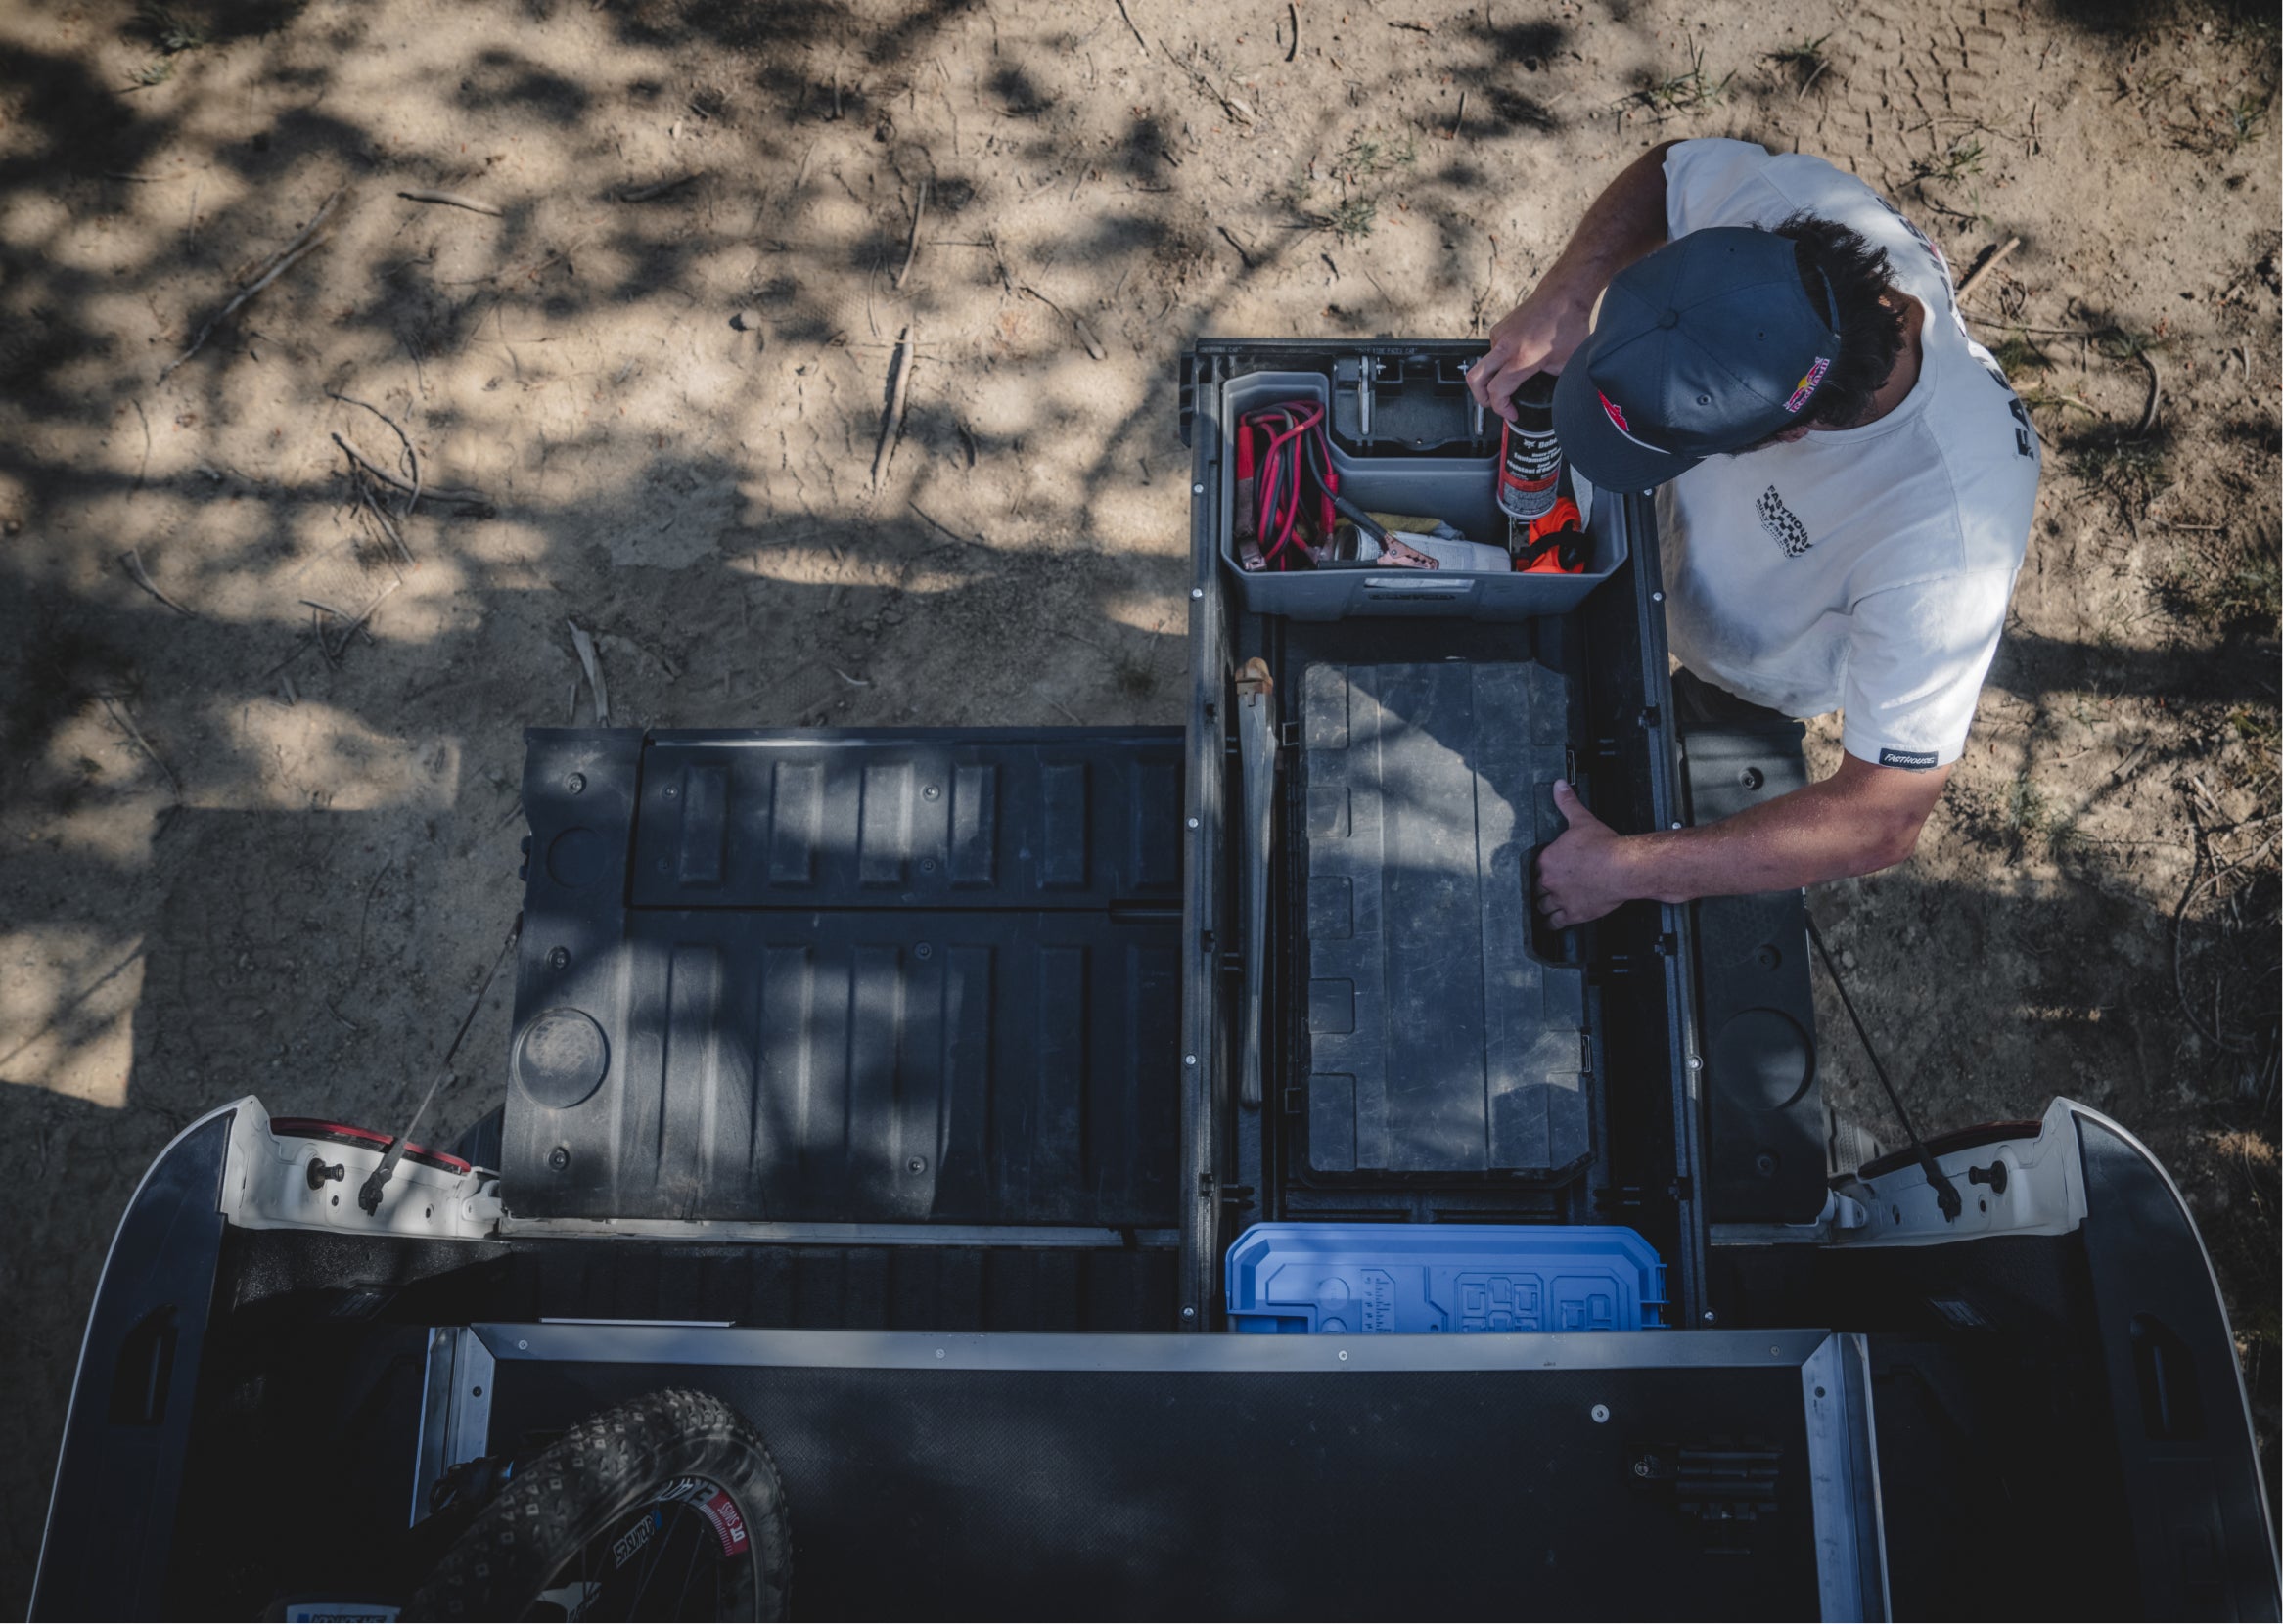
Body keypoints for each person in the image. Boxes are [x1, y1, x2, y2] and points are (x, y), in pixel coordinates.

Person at [1468, 138, 2039, 928]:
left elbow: (1882, 817)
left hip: (1748, 665)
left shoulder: (1940, 543)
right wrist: (1567, 298)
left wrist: (1627, 869)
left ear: (1786, 438)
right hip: (1650, 544)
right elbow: (1670, 168)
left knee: (1709, 724)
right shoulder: (1777, 205)